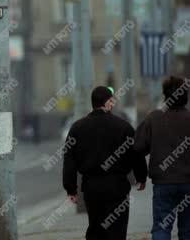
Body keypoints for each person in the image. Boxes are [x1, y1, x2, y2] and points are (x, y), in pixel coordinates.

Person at [63, 86, 148, 240]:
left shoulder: (77, 128)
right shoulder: (124, 127)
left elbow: (69, 160)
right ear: (108, 102)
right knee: (117, 228)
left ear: (93, 103)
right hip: (117, 186)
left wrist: (71, 189)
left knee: (96, 228)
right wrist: (141, 177)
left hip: (91, 187)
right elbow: (136, 154)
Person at [135, 76, 190, 240]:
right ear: (185, 97)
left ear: (165, 96)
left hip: (163, 184)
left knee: (161, 227)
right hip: (189, 183)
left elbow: (137, 147)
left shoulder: (153, 118)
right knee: (188, 230)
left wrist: (141, 176)